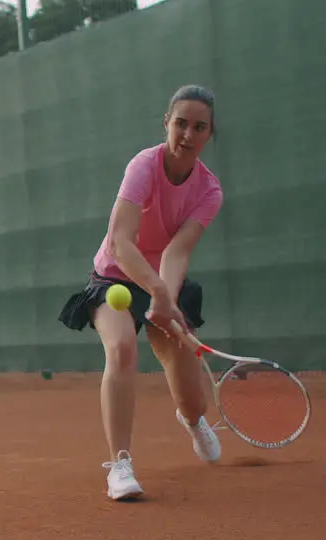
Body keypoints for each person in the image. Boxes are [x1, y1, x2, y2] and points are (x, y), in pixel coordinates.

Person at [57, 84, 224, 501]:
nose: (187, 135)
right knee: (122, 348)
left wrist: (166, 295)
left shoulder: (209, 191)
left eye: (199, 127)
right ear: (166, 123)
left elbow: (177, 250)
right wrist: (155, 290)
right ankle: (120, 465)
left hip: (161, 278)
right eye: (180, 123)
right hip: (115, 277)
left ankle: (192, 420)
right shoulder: (143, 167)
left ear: (209, 134)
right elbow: (120, 243)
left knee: (188, 386)